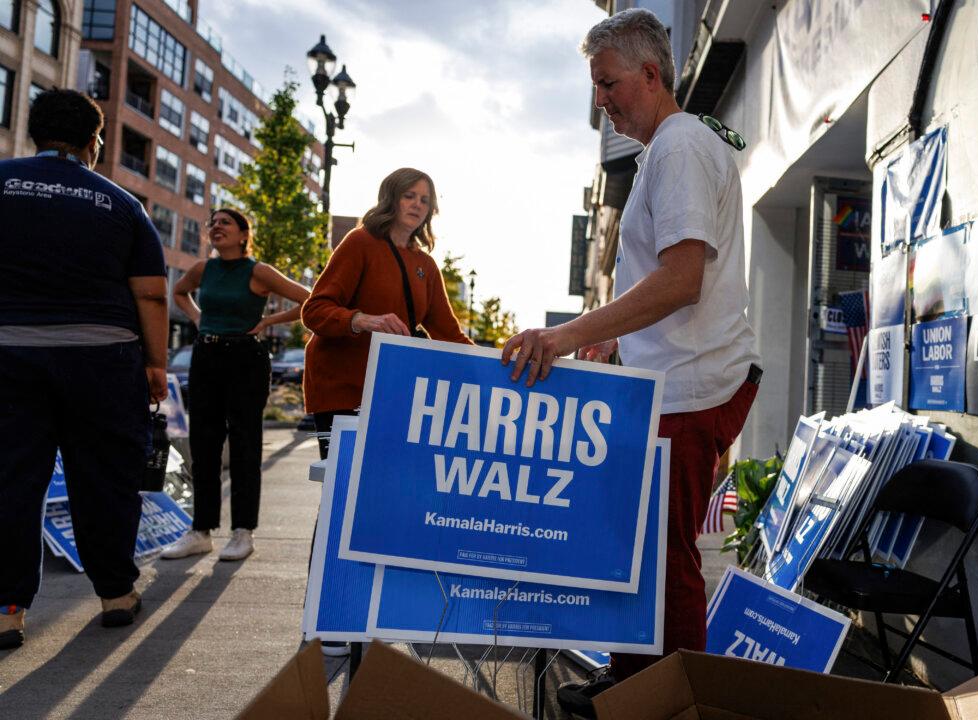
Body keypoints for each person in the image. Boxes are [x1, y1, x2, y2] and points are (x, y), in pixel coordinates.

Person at [500, 9, 761, 716]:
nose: (601, 100)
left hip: (690, 386)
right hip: (675, 381)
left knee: (666, 557)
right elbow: (670, 278)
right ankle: (634, 681)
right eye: (596, 86)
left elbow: (683, 280)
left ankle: (668, 702)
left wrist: (563, 334)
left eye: (608, 83)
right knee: (643, 547)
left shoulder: (678, 149)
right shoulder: (667, 152)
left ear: (651, 74)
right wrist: (613, 337)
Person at [0, 89, 168, 649]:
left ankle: (6, 609)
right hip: (103, 358)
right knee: (104, 478)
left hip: (9, 352)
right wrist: (156, 363)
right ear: (94, 142)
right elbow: (150, 294)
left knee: (10, 479)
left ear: (34, 134)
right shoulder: (121, 204)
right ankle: (116, 594)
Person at [301, 167, 471, 657]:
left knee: (385, 498)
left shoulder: (425, 266)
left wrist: (496, 364)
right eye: (409, 195)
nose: (417, 204)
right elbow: (316, 310)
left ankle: (375, 610)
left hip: (391, 393)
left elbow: (448, 332)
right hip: (341, 388)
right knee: (342, 496)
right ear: (390, 200)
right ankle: (328, 615)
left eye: (425, 198)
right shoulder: (358, 244)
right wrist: (361, 320)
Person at [160, 209, 311, 562]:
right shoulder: (203, 269)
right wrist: (199, 318)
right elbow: (180, 293)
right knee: (204, 444)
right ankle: (200, 530)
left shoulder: (257, 270)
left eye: (224, 223)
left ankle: (243, 532)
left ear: (244, 234)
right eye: (212, 223)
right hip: (206, 356)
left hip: (245, 359)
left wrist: (268, 320)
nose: (216, 227)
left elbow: (309, 297)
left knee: (244, 445)